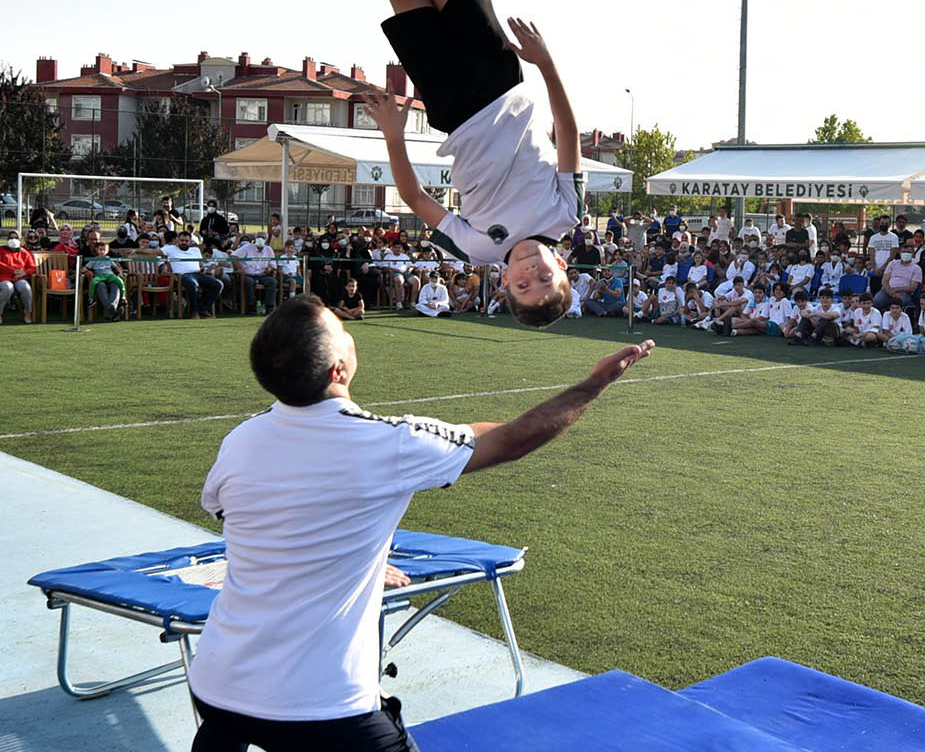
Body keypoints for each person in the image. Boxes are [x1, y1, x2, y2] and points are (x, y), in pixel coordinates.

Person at [188, 292, 653, 752]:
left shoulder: (240, 441)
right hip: (321, 705)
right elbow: (511, 440)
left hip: (216, 684)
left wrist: (359, 561)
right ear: (339, 371)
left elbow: (246, 521)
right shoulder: (387, 443)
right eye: (343, 330)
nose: (350, 335)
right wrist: (594, 384)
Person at [362, 0, 581, 328]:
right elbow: (567, 132)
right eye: (545, 279)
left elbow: (414, 198)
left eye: (524, 284)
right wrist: (546, 63)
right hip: (499, 77)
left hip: (451, 102)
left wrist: (394, 137)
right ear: (561, 265)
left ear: (506, 283)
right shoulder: (566, 214)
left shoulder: (475, 249)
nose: (532, 272)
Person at [158, 230, 222, 319]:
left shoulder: (196, 250)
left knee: (218, 284)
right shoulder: (170, 249)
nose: (183, 242)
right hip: (182, 276)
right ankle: (194, 311)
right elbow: (154, 253)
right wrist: (136, 251)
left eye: (186, 241)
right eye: (182, 240)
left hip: (198, 274)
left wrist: (202, 269)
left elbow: (201, 265)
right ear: (178, 240)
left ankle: (202, 309)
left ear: (190, 241)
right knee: (192, 284)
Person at [234, 234, 279, 315]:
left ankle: (268, 306)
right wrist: (241, 268)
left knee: (272, 281)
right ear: (255, 239)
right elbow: (234, 256)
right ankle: (250, 307)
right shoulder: (247, 247)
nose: (261, 239)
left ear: (266, 240)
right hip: (248, 275)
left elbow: (273, 265)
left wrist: (269, 269)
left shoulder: (269, 249)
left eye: (263, 237)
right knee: (249, 282)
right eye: (259, 237)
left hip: (262, 275)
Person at [84, 240, 126, 321]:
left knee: (119, 282)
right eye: (100, 249)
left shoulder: (109, 259)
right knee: (96, 283)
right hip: (100, 277)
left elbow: (115, 266)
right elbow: (86, 267)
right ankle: (92, 299)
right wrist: (84, 270)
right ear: (97, 250)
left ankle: (123, 298)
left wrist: (119, 272)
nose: (102, 251)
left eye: (104, 250)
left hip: (110, 275)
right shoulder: (94, 259)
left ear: (107, 251)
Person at [0, 231, 37, 324]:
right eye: (11, 238)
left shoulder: (25, 252)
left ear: (20, 240)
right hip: (4, 277)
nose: (13, 240)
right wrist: (13, 270)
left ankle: (28, 312)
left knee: (26, 288)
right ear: (7, 240)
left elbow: (32, 267)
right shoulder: (1, 250)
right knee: (8, 288)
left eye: (16, 238)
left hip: (20, 277)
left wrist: (24, 272)